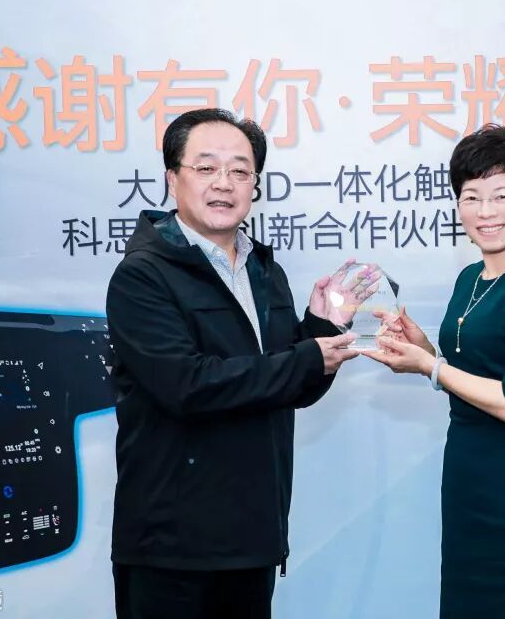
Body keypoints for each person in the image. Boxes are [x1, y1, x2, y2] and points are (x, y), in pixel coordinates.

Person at [106, 108, 367, 619]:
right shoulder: (142, 276)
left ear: (255, 185)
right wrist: (306, 356)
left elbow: (291, 386)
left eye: (240, 171)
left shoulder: (264, 271)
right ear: (172, 179)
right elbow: (187, 386)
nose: (224, 183)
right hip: (172, 547)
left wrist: (321, 327)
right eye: (206, 168)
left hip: (252, 538)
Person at [366, 123, 505, 618]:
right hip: (468, 476)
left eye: (502, 196)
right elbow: (473, 370)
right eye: (471, 197)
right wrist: (422, 349)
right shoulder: (470, 277)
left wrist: (431, 366)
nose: (485, 212)